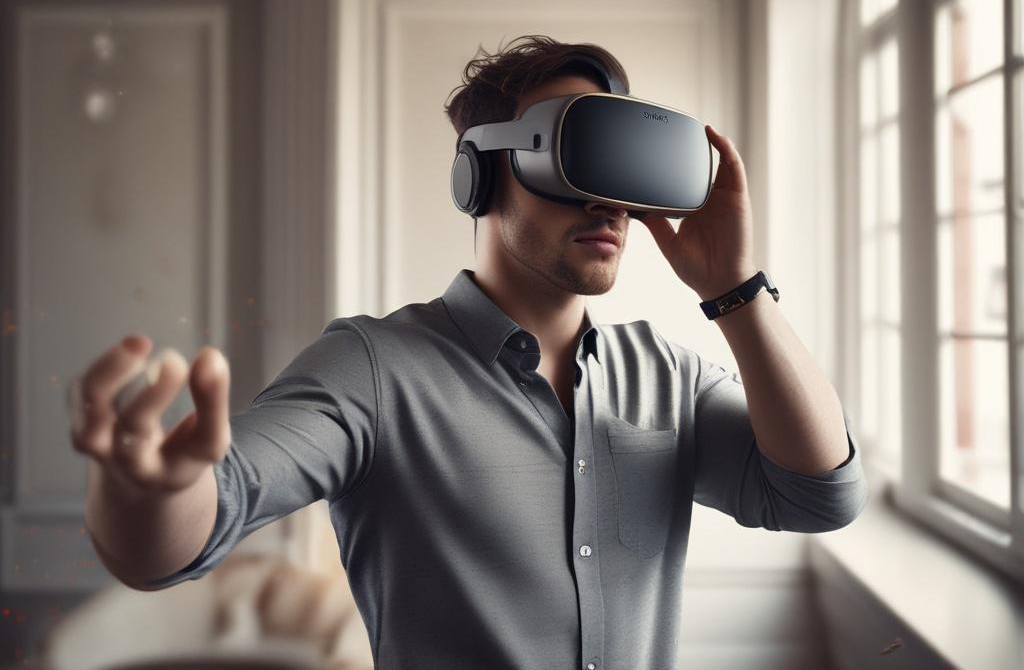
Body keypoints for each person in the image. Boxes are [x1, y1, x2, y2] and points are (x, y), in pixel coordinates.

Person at [72, 34, 868, 670]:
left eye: (618, 169)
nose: (607, 202)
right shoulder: (375, 369)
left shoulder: (668, 376)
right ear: (480, 176)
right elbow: (205, 513)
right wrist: (147, 494)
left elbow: (818, 495)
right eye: (570, 157)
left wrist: (734, 285)